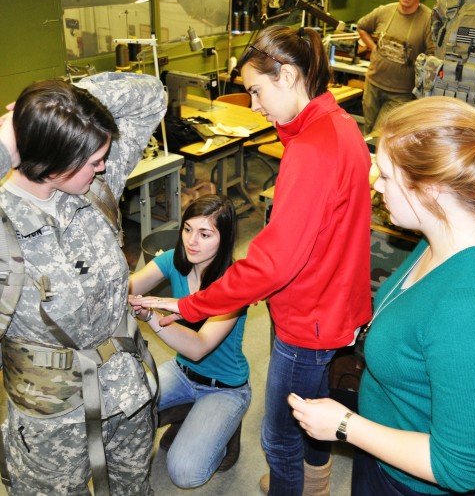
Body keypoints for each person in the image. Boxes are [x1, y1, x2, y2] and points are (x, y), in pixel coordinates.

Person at [132, 25, 372, 495]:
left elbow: (272, 262)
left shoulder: (311, 150)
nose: (256, 104)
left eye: (256, 90)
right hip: (335, 299)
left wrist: (189, 306)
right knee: (313, 404)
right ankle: (317, 484)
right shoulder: (339, 125)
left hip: (309, 317)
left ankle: (296, 487)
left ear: (286, 75)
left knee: (279, 436)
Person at [0, 73, 166, 495]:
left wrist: (61, 109)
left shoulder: (94, 188)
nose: (105, 166)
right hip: (52, 421)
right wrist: (1, 148)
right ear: (54, 164)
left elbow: (151, 96)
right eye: (93, 161)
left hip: (128, 395)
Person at [289, 96, 475, 496]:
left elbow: (461, 468)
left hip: (408, 483)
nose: (375, 183)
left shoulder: (470, 309)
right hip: (382, 448)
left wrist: (346, 426)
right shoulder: (438, 241)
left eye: (385, 175)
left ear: (432, 190)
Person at [129, 194, 251, 489]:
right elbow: (129, 287)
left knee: (185, 474)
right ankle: (187, 413)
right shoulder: (173, 260)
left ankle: (225, 433)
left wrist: (151, 318)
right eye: (187, 229)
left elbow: (198, 347)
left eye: (205, 234)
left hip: (224, 388)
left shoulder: (234, 283)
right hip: (182, 373)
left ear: (225, 238)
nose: (191, 241)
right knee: (123, 410)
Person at [357, 0, 434, 136]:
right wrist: (373, 48)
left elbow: (432, 54)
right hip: (373, 84)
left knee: (381, 136)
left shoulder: (427, 20)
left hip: (401, 94)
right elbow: (362, 27)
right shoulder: (384, 11)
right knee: (368, 132)